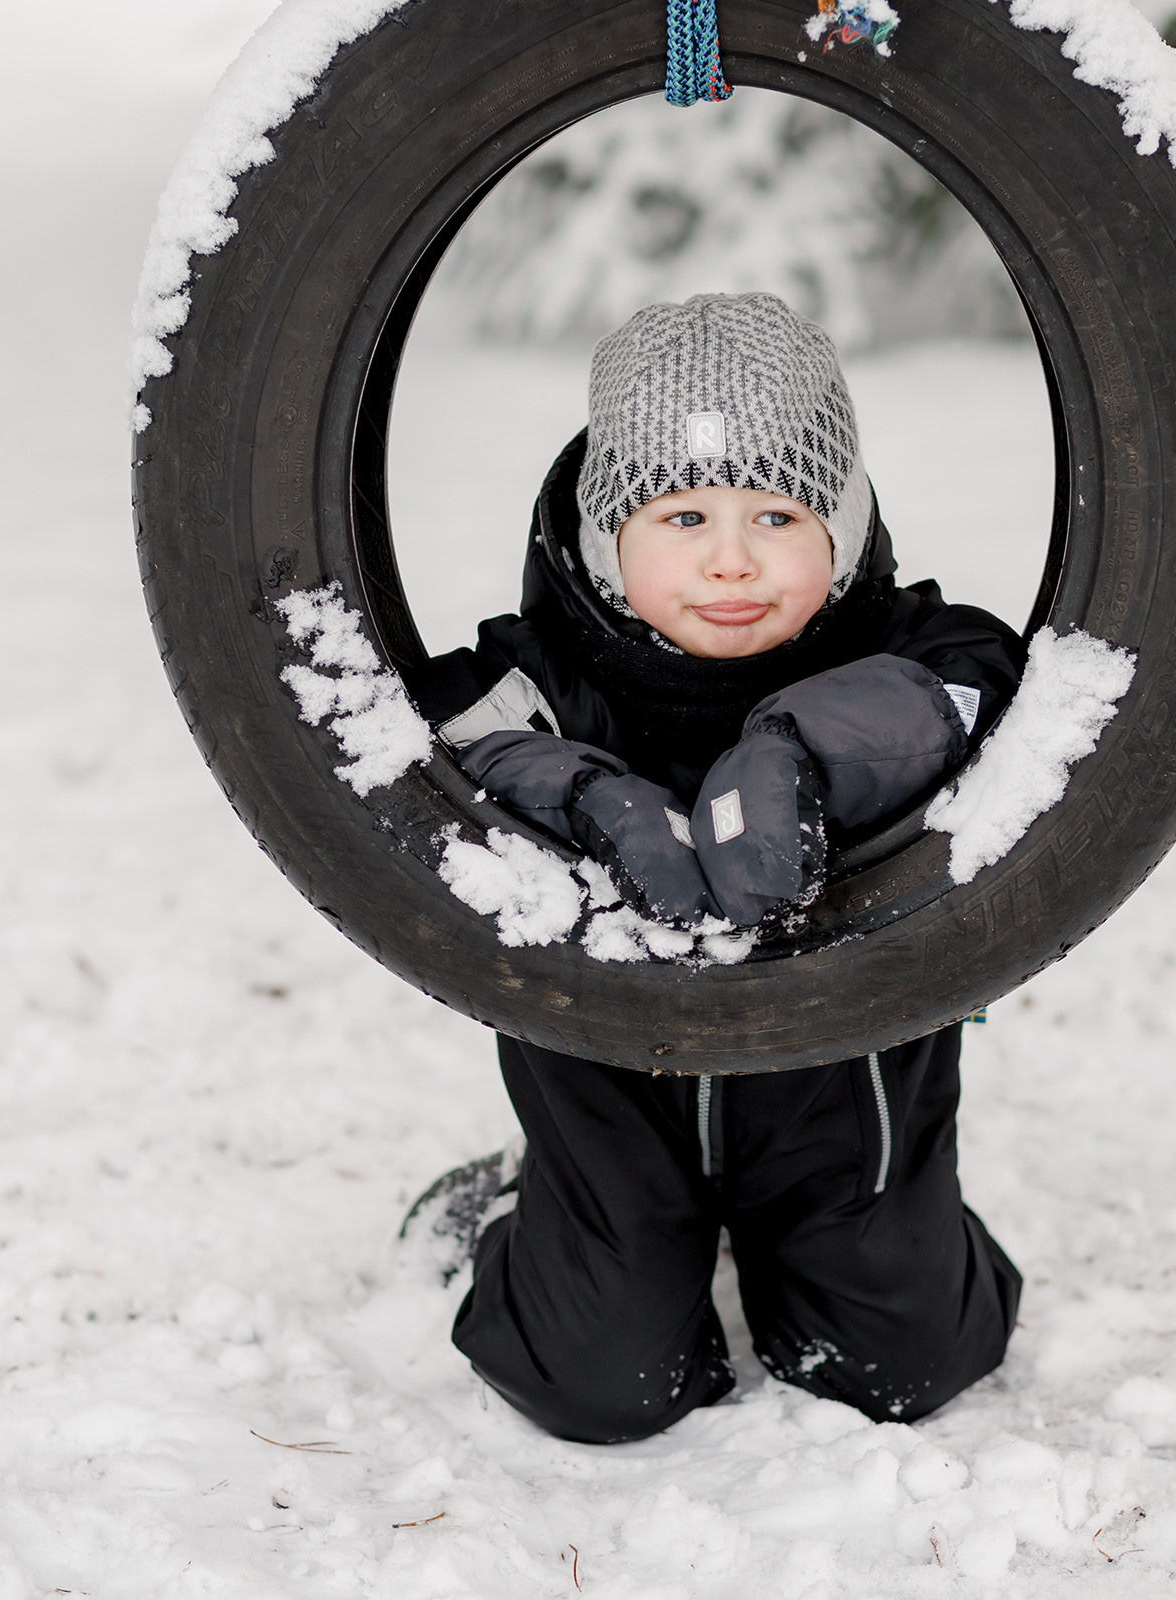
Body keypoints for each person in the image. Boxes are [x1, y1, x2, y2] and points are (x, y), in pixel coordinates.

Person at [406, 291, 1026, 1444]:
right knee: (593, 1382)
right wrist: (583, 792)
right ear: (607, 535)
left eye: (779, 514)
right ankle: (512, 1206)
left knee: (907, 1365)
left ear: (838, 523)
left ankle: (899, 1238)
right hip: (613, 1107)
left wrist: (801, 747)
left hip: (842, 1105)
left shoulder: (905, 649)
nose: (732, 563)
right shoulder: (539, 677)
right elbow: (435, 739)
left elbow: (975, 679)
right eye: (681, 517)